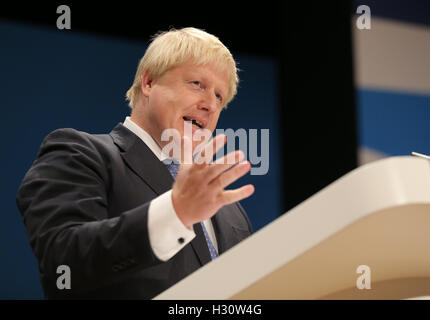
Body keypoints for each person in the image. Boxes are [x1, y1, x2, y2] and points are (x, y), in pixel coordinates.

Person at [16, 27, 255, 299]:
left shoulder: (229, 209)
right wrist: (176, 211)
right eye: (197, 84)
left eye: (219, 96)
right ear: (149, 82)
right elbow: (63, 262)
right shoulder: (79, 153)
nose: (210, 105)